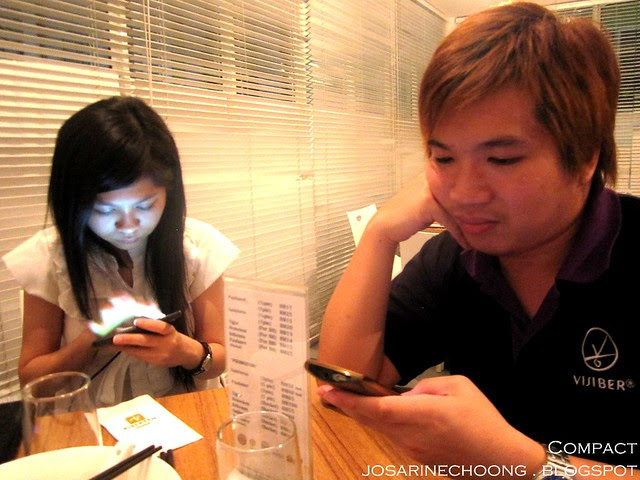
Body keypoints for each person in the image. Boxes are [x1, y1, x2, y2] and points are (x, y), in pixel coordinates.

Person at [317, 2, 639, 479]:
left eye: (502, 159)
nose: (464, 193)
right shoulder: (455, 258)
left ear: (586, 158)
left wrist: (527, 465)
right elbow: (344, 389)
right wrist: (380, 234)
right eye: (443, 159)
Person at [3, 96, 239, 407]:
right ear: (74, 202)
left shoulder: (196, 246)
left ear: (169, 192)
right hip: (90, 418)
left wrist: (182, 350)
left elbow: (221, 356)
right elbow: (33, 383)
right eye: (105, 209)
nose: (128, 225)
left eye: (145, 205)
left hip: (184, 411)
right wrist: (92, 341)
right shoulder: (49, 257)